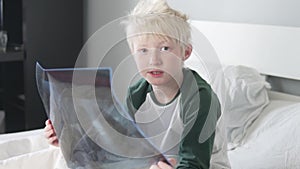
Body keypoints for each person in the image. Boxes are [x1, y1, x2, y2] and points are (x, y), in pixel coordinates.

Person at [45, 0, 229, 168]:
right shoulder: (137, 93)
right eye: (143, 50)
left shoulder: (200, 98)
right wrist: (69, 140)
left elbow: (194, 162)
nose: (153, 60)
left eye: (165, 48)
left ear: (185, 52)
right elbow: (120, 145)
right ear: (132, 53)